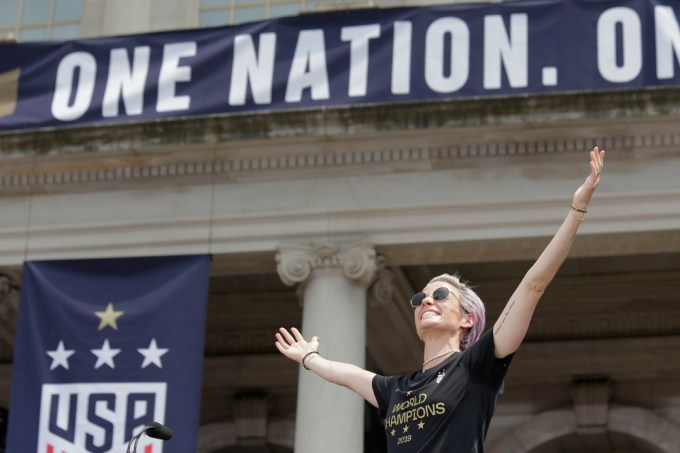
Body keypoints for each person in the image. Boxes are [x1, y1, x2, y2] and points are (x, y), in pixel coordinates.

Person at [275, 147, 605, 452]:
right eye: (420, 297)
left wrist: (577, 209)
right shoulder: (396, 389)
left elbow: (533, 284)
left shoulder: (476, 366)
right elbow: (346, 374)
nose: (425, 302)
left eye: (440, 295)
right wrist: (310, 358)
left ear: (468, 319)